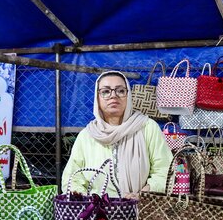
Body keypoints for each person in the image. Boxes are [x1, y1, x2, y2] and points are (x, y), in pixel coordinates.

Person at [62, 71, 172, 199]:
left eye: (120, 91)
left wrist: (143, 195)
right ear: (97, 98)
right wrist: (91, 202)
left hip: (142, 209)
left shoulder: (147, 127)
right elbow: (71, 178)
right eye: (106, 91)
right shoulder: (87, 136)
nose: (113, 96)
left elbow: (165, 170)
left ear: (128, 95)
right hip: (96, 213)